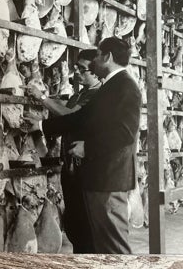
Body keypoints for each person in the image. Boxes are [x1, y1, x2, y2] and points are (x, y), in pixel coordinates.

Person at [26, 37, 142, 254]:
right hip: (101, 177)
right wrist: (41, 125)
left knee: (114, 244)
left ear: (107, 57)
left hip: (110, 179)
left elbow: (125, 134)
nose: (94, 60)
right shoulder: (112, 85)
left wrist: (88, 148)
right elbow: (81, 118)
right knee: (101, 242)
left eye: (97, 55)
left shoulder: (126, 87)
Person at [28, 50, 101, 253]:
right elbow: (65, 106)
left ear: (96, 71)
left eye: (82, 69)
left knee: (85, 222)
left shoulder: (97, 94)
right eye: (75, 67)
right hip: (70, 165)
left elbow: (71, 115)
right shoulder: (81, 92)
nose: (76, 72)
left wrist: (42, 98)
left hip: (85, 168)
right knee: (75, 221)